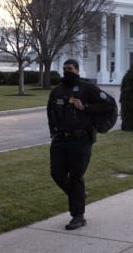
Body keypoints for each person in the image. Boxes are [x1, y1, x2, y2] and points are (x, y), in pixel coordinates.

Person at [47, 59, 115, 230]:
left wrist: (86, 107)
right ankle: (79, 196)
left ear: (77, 70)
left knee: (76, 176)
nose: (66, 71)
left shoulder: (87, 88)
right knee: (57, 173)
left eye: (69, 68)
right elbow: (50, 111)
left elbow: (108, 104)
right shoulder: (57, 91)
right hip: (60, 139)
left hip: (81, 140)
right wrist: (53, 132)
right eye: (64, 69)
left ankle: (78, 216)